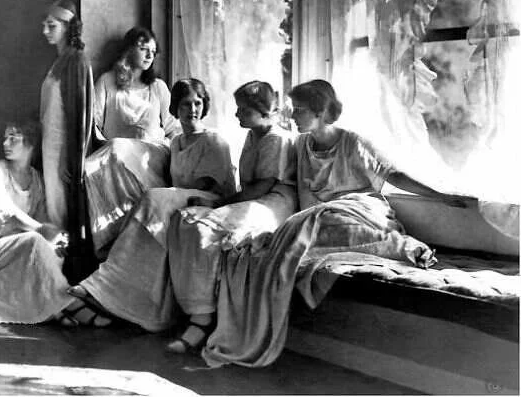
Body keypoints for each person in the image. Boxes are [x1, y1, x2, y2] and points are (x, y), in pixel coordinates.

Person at [201, 79, 471, 368]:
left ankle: (404, 247)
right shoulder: (300, 145)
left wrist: (439, 195)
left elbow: (393, 175)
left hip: (362, 210)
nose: (292, 115)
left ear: (320, 112)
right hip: (322, 218)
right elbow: (280, 184)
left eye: (299, 110)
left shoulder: (352, 142)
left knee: (321, 221)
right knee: (302, 227)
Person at [68, 78, 236, 331]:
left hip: (210, 201)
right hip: (183, 197)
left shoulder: (213, 140)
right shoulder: (176, 143)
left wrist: (168, 198)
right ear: (175, 108)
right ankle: (114, 292)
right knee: (144, 218)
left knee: (153, 198)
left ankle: (104, 284)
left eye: (198, 103)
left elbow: (212, 187)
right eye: (185, 104)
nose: (192, 109)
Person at [165, 80, 299, 354]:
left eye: (244, 110)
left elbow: (262, 187)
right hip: (255, 198)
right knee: (186, 220)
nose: (237, 114)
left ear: (263, 111)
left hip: (275, 203)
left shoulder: (276, 139)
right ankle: (196, 309)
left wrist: (218, 204)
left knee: (205, 227)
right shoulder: (253, 135)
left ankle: (202, 321)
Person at [0, 119, 110, 326]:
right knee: (35, 241)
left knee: (52, 250)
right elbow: (3, 215)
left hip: (10, 247)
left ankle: (52, 309)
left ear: (31, 143)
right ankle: (70, 304)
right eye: (5, 138)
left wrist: (55, 239)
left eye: (13, 138)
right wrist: (42, 229)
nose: (5, 143)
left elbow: (44, 220)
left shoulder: (37, 180)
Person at [85, 26, 181, 258]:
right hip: (115, 153)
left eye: (153, 51)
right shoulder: (107, 81)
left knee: (117, 149)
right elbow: (92, 122)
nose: (149, 55)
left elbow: (173, 128)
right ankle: (114, 239)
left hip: (152, 155)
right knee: (91, 168)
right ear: (128, 49)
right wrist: (104, 144)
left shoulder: (158, 87)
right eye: (143, 48)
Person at [39, 0, 95, 280]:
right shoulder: (60, 61)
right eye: (45, 25)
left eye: (51, 26)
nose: (45, 31)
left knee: (63, 210)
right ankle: (55, 274)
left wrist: (71, 159)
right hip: (50, 145)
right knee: (53, 207)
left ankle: (67, 277)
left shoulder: (76, 60)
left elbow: (81, 114)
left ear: (67, 27)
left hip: (63, 149)